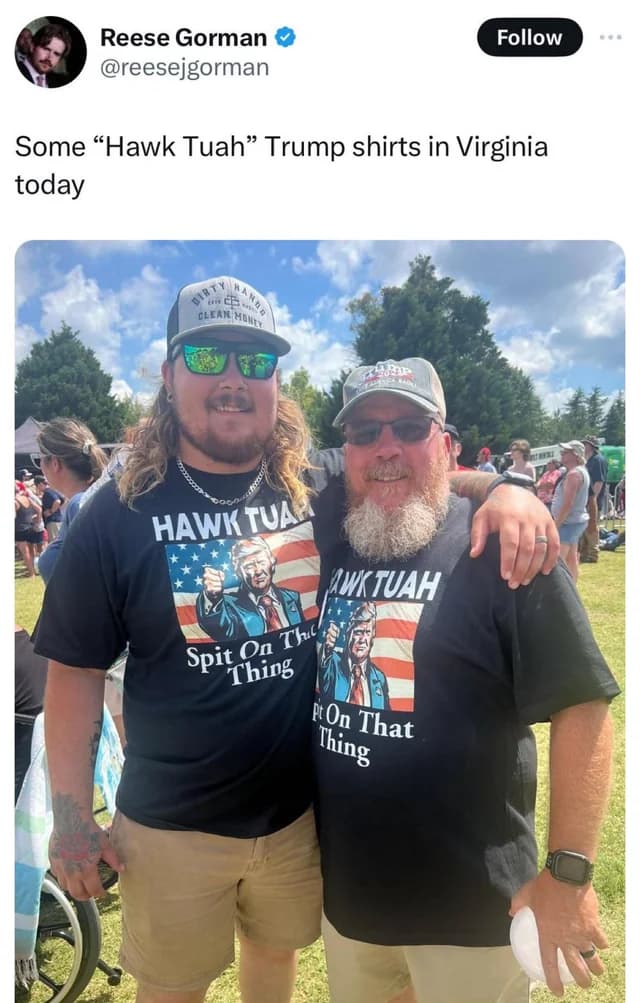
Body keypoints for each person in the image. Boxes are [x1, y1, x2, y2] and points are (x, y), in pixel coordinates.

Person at [34, 275, 559, 1003]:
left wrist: (506, 489)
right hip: (172, 826)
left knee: (273, 961)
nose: (232, 378)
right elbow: (73, 672)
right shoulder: (116, 515)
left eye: (254, 361)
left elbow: (409, 468)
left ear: (275, 381)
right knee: (172, 988)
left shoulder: (313, 482)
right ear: (168, 375)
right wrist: (70, 821)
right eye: (208, 356)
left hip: (296, 818)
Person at [313, 358, 619, 1003]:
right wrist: (503, 482)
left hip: (474, 909)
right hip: (353, 903)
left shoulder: (505, 546)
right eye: (366, 432)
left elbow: (584, 706)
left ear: (445, 443)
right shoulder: (335, 531)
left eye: (409, 428)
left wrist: (568, 875)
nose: (386, 447)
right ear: (348, 451)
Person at [197, 535, 304, 640]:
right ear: (238, 571)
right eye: (249, 566)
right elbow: (218, 629)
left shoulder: (291, 597)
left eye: (262, 562)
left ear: (272, 562)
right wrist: (213, 597)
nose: (258, 571)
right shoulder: (229, 605)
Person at [320, 601, 390, 709]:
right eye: (358, 632)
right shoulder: (333, 663)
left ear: (373, 636)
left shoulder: (379, 678)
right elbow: (323, 669)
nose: (362, 640)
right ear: (348, 634)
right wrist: (327, 649)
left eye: (367, 633)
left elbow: (386, 714)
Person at [551, 441, 590, 582]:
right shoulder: (580, 471)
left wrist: (556, 524)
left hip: (568, 523)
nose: (562, 454)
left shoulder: (574, 474)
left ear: (576, 455)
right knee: (571, 558)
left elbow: (568, 504)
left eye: (566, 452)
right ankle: (573, 586)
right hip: (574, 521)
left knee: (558, 560)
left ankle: (561, 589)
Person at [579, 436, 608, 564]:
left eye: (585, 444)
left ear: (591, 446)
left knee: (591, 527)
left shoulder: (598, 460)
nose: (583, 446)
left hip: (592, 500)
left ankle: (592, 554)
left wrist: (592, 499)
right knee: (584, 527)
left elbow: (599, 482)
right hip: (584, 499)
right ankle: (584, 553)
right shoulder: (586, 460)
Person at [14, 480, 44, 578]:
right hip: (30, 527)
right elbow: (39, 509)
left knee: (25, 552)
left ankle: (31, 573)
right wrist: (38, 520)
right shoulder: (26, 498)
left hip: (19, 529)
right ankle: (36, 569)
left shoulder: (14, 501)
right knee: (32, 550)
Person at [36, 474, 65, 542]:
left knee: (54, 542)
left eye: (37, 486)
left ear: (40, 484)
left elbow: (57, 501)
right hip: (58, 519)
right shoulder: (52, 490)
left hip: (53, 521)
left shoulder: (47, 492)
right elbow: (62, 499)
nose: (37, 488)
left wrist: (51, 511)